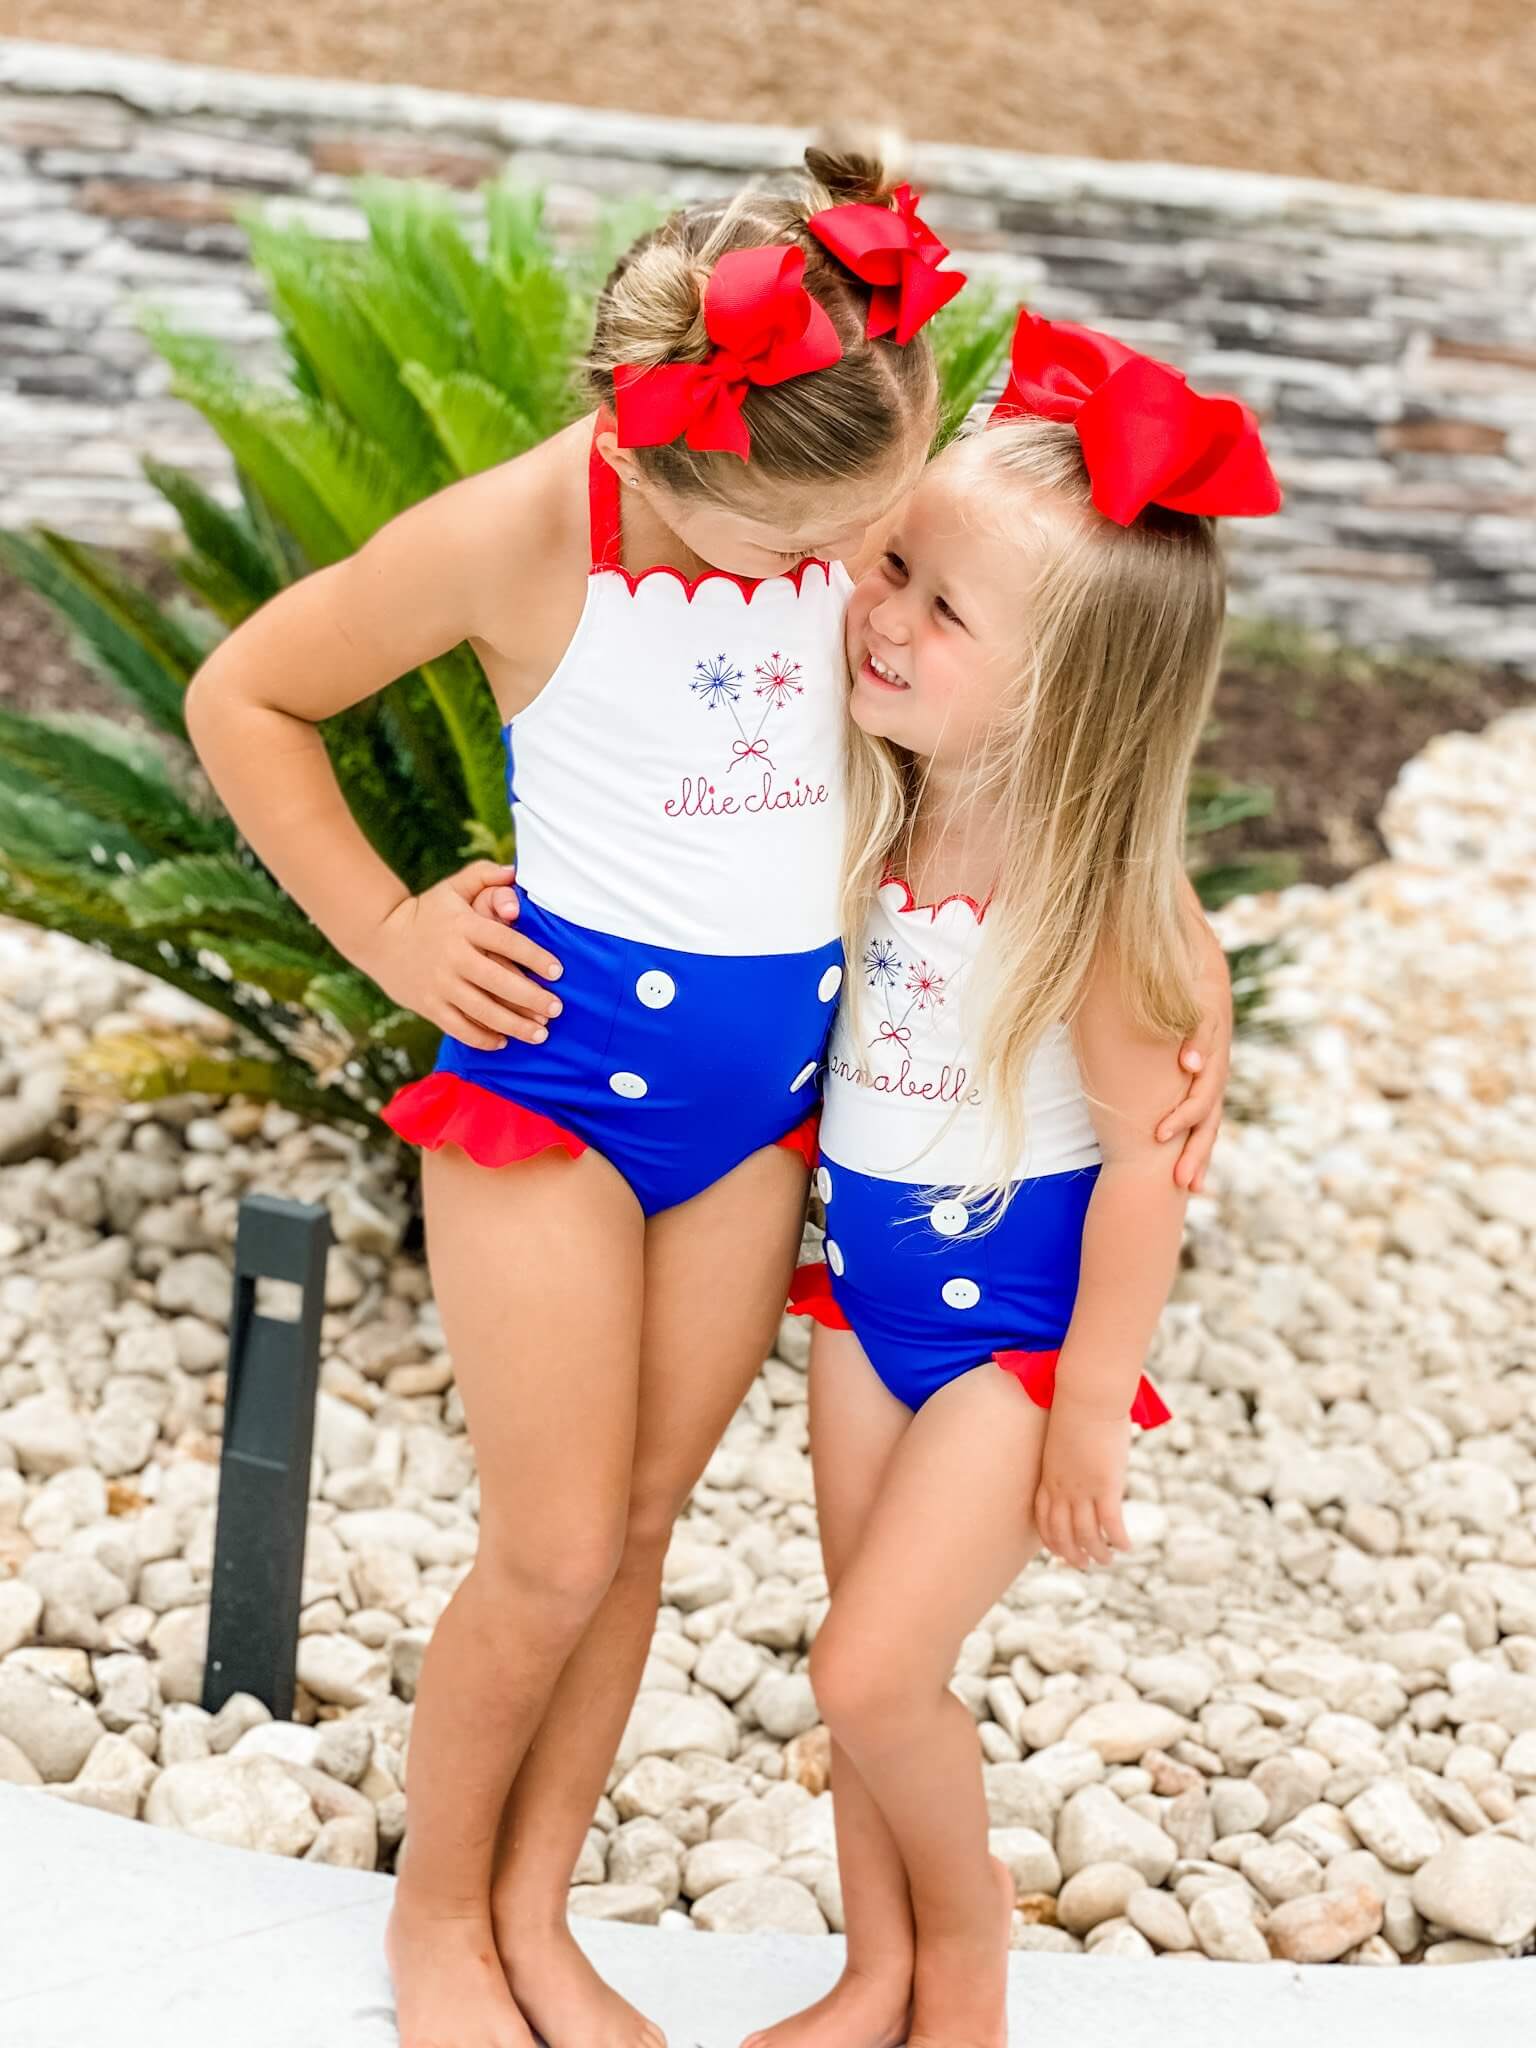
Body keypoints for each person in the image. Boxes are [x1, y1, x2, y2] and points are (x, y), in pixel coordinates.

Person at [184, 145, 1224, 2048]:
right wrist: (389, 932)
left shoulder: (844, 495)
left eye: (863, 548)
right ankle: (438, 1922)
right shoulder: (517, 534)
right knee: (554, 1543)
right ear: (657, 451)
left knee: (650, 1525)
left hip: (755, 1125)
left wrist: (1183, 996)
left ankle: (538, 1912)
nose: (828, 590)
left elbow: (1074, 700)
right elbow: (245, 693)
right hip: (556, 1099)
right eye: (791, 558)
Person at [754, 310, 1280, 2048]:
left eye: (939, 604)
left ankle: (966, 1976)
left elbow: (1147, 1169)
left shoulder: (1099, 917)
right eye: (889, 564)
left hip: (1010, 1348)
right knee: (864, 1659)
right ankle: (874, 1973)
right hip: (862, 1306)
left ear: (1065, 690)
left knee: (869, 1673)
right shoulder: (875, 811)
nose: (882, 614)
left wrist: (1090, 1410)